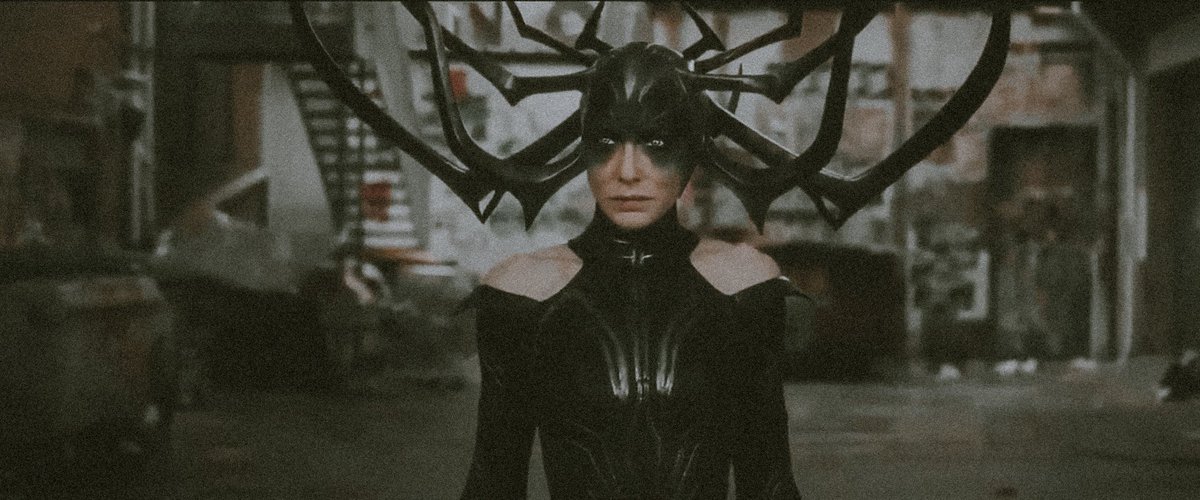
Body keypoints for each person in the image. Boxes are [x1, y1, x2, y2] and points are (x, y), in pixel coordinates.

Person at [459, 45, 802, 499]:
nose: (627, 172)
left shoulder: (743, 287)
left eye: (656, 143)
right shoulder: (522, 294)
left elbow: (770, 484)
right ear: (584, 148)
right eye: (605, 142)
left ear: (691, 149)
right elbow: (493, 485)